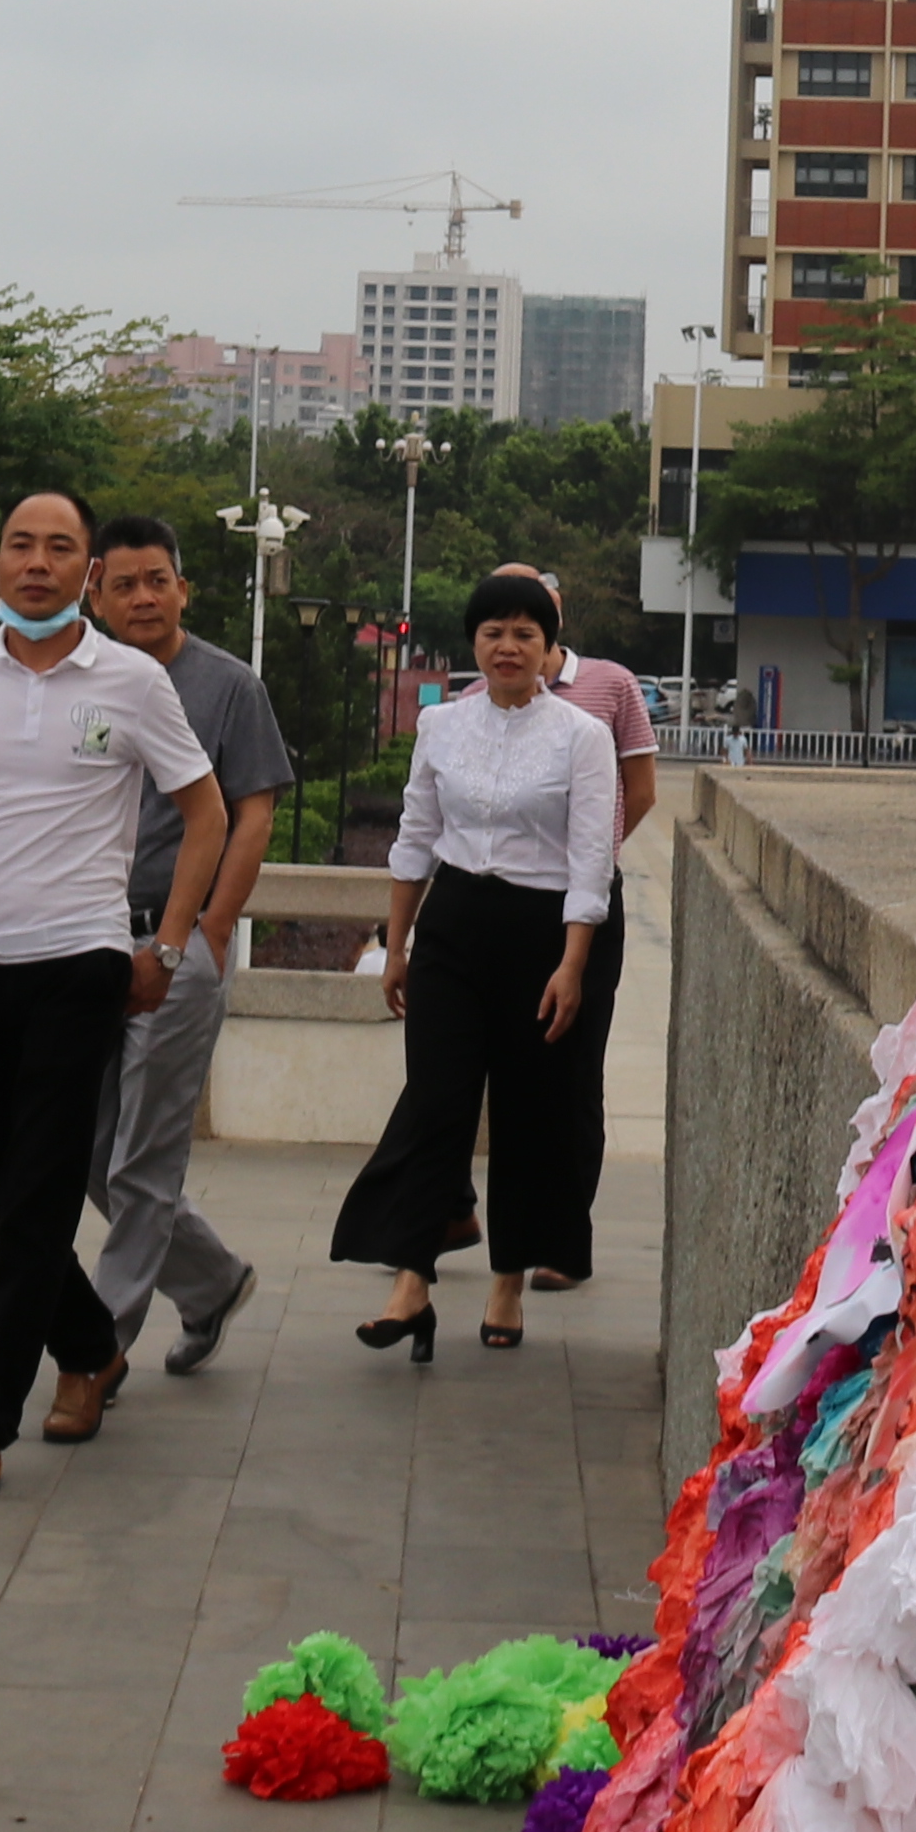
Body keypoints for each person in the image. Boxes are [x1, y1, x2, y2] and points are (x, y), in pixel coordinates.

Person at [0, 488, 223, 1496]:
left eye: (60, 547)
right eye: (20, 544)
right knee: (0, 1184)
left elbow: (207, 813)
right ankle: (88, 1339)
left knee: (36, 1198)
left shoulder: (134, 680)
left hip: (81, 964)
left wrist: (169, 938)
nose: (37, 562)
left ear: (93, 575)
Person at [335, 572, 621, 1358]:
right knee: (437, 1103)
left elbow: (591, 862)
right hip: (453, 926)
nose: (508, 646)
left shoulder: (580, 737)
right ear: (474, 642)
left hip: (539, 931)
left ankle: (508, 1281)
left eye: (526, 633)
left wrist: (572, 967)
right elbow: (415, 837)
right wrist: (395, 945)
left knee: (528, 1112)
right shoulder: (442, 728)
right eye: (494, 631)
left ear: (550, 649)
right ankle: (412, 1280)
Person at [77, 517, 289, 1369]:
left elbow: (254, 813)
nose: (142, 598)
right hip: (86, 940)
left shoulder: (228, 686)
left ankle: (101, 1346)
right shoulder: (79, 683)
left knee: (145, 1154)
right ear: (95, 594)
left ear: (183, 588)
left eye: (157, 580)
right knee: (90, 1153)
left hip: (177, 942)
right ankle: (207, 1281)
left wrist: (207, 930)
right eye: (123, 584)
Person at [510, 564, 661, 1292]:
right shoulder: (479, 695)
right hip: (507, 910)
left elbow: (642, 791)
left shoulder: (611, 686)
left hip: (589, 907)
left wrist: (589, 862)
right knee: (506, 1070)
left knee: (575, 1074)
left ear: (555, 617)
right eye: (497, 616)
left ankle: (564, 1240)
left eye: (529, 614)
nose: (512, 631)